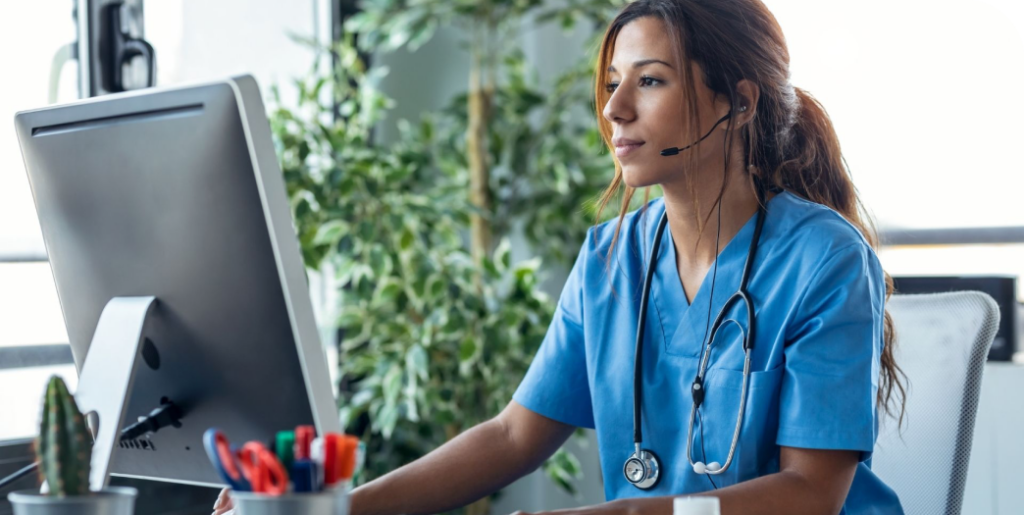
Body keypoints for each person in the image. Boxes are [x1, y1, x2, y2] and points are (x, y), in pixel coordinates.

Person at [213, 1, 906, 513]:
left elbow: (813, 492)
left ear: (738, 101)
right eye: (611, 83)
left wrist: (635, 511)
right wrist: (338, 509)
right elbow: (515, 433)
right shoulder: (611, 257)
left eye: (651, 81)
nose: (615, 110)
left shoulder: (824, 260)